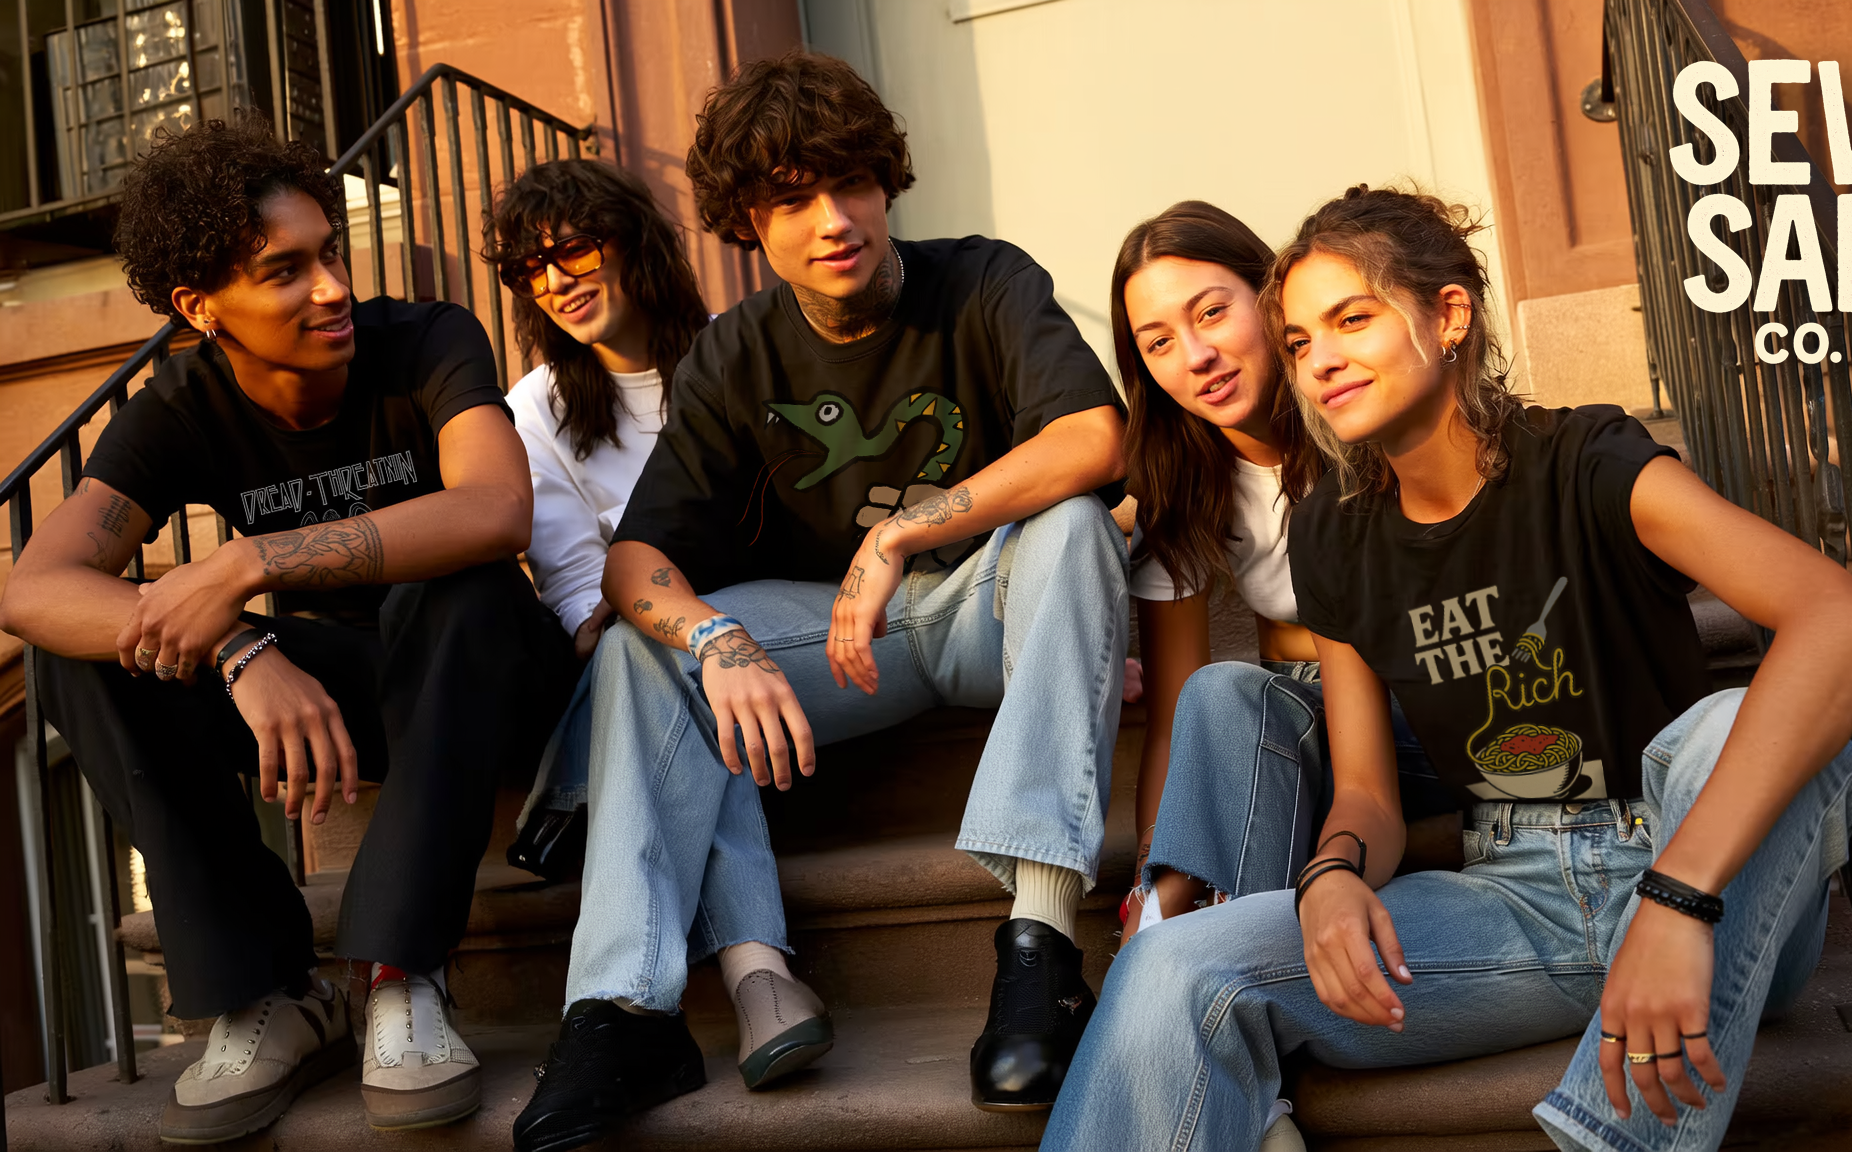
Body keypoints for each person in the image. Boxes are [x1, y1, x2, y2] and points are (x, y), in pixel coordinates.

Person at [1042, 183, 1852, 1152]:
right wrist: (1328, 877)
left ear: (1447, 315)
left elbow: (1843, 619)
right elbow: (1366, 790)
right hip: (1508, 897)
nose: (1319, 358)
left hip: (1693, 873)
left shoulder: (1586, 464)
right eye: (1296, 341)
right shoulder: (1334, 534)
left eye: (1349, 320)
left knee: (1742, 730)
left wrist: (1673, 895)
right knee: (1175, 967)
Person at [510, 51, 1130, 1151]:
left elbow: (1091, 438)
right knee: (632, 651)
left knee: (1074, 523)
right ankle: (622, 1009)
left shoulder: (984, 279)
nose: (831, 220)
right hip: (856, 646)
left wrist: (903, 529)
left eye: (848, 184)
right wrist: (716, 639)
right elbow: (635, 560)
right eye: (790, 199)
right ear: (748, 221)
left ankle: (1039, 947)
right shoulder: (735, 356)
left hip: (996, 601)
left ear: (886, 182)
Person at [0, 114, 575, 1143]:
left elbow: (495, 508)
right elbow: (34, 584)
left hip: (489, 684)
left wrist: (245, 564)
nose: (331, 289)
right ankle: (270, 992)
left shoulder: (426, 340)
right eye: (285, 270)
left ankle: (398, 973)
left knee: (460, 581)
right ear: (200, 307)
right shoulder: (179, 407)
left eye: (331, 256)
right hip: (333, 692)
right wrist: (237, 644)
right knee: (73, 661)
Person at [487, 157, 838, 1092]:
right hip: (667, 674)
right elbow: (578, 601)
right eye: (531, 267)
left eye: (573, 247)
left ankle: (695, 987)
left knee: (655, 644)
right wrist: (687, 625)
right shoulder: (538, 413)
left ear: (634, 240)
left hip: (792, 657)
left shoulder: (742, 351)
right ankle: (758, 973)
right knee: (644, 648)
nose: (556, 278)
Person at [1110, 201, 1457, 948]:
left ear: (1270, 301)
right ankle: (1187, 932)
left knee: (1238, 704)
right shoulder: (1184, 487)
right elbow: (1177, 715)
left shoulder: (1370, 413)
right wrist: (1152, 865)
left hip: (1434, 710)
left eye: (1212, 312)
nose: (1196, 355)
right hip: (1306, 721)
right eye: (1159, 342)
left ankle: (1225, 956)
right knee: (1220, 697)